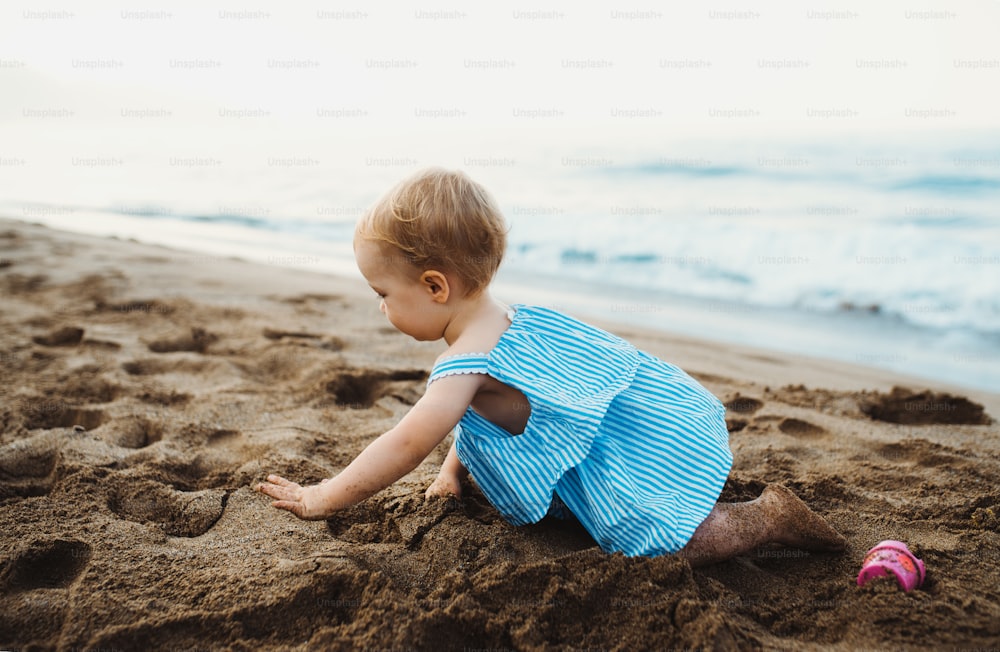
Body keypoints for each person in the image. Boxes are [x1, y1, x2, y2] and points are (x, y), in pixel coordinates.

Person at [256, 168, 846, 566]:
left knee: (662, 546)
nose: (380, 306)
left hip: (626, 461)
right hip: (649, 430)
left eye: (381, 291)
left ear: (435, 286)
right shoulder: (517, 317)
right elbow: (492, 412)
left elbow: (409, 441)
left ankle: (764, 518)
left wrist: (323, 497)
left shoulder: (465, 362)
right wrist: (453, 473)